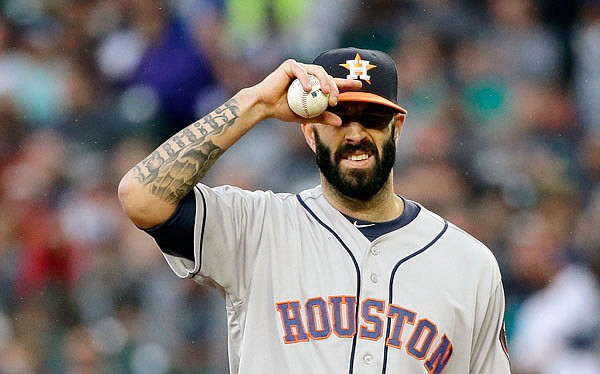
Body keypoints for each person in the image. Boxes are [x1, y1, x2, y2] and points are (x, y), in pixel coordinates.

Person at [118, 47, 511, 373]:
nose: (355, 133)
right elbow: (141, 196)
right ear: (309, 130)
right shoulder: (258, 227)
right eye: (338, 116)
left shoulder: (469, 264)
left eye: (372, 118)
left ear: (397, 128)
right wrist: (256, 103)